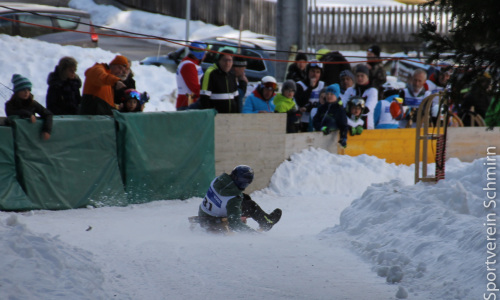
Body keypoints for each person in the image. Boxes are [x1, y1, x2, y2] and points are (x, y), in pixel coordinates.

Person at [198, 165, 282, 233]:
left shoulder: (217, 180)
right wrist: (254, 235)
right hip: (214, 219)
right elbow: (235, 224)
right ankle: (266, 222)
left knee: (245, 198)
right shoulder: (234, 199)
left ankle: (264, 220)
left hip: (203, 212)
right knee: (251, 205)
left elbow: (224, 195)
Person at [5, 74, 53, 140]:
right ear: (17, 91)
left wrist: (47, 130)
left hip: (32, 138)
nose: (26, 92)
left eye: (28, 90)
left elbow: (48, 114)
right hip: (16, 138)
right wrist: (28, 114)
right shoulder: (10, 105)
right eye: (23, 90)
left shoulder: (33, 103)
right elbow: (11, 113)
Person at [340, 64, 378, 129]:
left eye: (362, 76)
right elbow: (343, 104)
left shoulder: (372, 91)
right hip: (350, 125)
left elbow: (369, 107)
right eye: (357, 76)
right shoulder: (350, 90)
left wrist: (354, 108)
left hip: (366, 125)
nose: (359, 78)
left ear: (367, 77)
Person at [312, 83, 348, 148]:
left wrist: (343, 138)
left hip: (331, 142)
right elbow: (315, 121)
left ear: (336, 96)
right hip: (318, 138)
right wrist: (321, 128)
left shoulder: (340, 110)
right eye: (327, 94)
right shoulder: (322, 108)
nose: (329, 96)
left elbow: (344, 126)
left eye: (332, 94)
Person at [175, 41, 207, 110]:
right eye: (205, 53)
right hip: (188, 104)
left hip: (190, 103)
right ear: (200, 54)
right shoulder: (188, 65)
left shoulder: (192, 64)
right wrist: (207, 94)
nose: (205, 56)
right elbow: (195, 88)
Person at [295, 61, 326, 132]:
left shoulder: (323, 85)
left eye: (318, 72)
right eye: (312, 71)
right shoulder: (300, 85)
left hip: (317, 120)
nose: (315, 74)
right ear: (308, 72)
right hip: (303, 121)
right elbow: (301, 103)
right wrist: (310, 88)